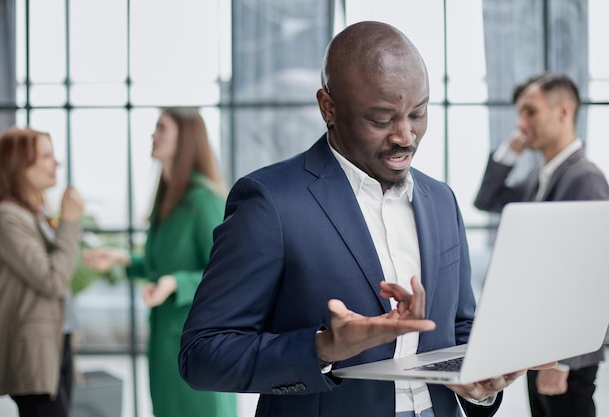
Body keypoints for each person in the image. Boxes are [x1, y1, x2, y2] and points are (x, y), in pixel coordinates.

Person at [179, 21, 533, 417]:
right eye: (382, 119)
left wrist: (478, 384)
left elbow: (460, 328)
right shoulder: (270, 202)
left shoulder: (441, 201)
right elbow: (202, 354)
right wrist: (323, 348)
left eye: (418, 113)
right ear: (328, 108)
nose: (406, 136)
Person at [82, 107, 236, 417]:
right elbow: (159, 265)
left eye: (161, 127)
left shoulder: (202, 199)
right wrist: (122, 259)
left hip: (196, 340)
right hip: (165, 342)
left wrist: (175, 284)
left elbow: (224, 273)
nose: (153, 134)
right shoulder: (168, 197)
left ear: (185, 138)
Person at [474, 72, 609, 417]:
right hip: (542, 343)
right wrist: (510, 150)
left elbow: (591, 275)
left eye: (529, 112)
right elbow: (487, 199)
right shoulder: (541, 175)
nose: (521, 123)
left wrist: (563, 362)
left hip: (565, 354)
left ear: (563, 111)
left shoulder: (585, 178)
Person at [0, 126, 84, 417]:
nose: (57, 163)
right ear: (19, 165)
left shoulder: (34, 214)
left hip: (56, 340)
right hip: (33, 350)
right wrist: (70, 222)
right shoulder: (6, 218)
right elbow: (52, 281)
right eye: (47, 156)